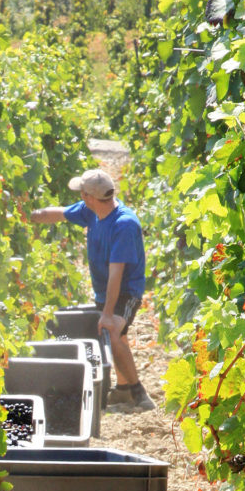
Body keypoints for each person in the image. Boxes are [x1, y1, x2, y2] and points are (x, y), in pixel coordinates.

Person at [30, 168, 155, 413]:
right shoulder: (92, 212)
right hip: (104, 289)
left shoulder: (123, 225)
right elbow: (59, 213)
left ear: (88, 196)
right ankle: (123, 388)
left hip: (126, 291)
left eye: (81, 193)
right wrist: (31, 217)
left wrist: (107, 313)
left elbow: (116, 273)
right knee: (117, 336)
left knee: (112, 329)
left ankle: (139, 393)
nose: (80, 197)